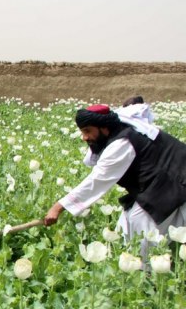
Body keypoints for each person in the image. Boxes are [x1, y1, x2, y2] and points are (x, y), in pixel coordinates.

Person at [44, 104, 186, 255]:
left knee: (143, 233)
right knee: (125, 227)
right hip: (159, 185)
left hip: (174, 183)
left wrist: (58, 207)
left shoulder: (122, 144)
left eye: (87, 131)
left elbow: (97, 180)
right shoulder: (118, 132)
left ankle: (146, 272)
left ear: (104, 128)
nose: (84, 137)